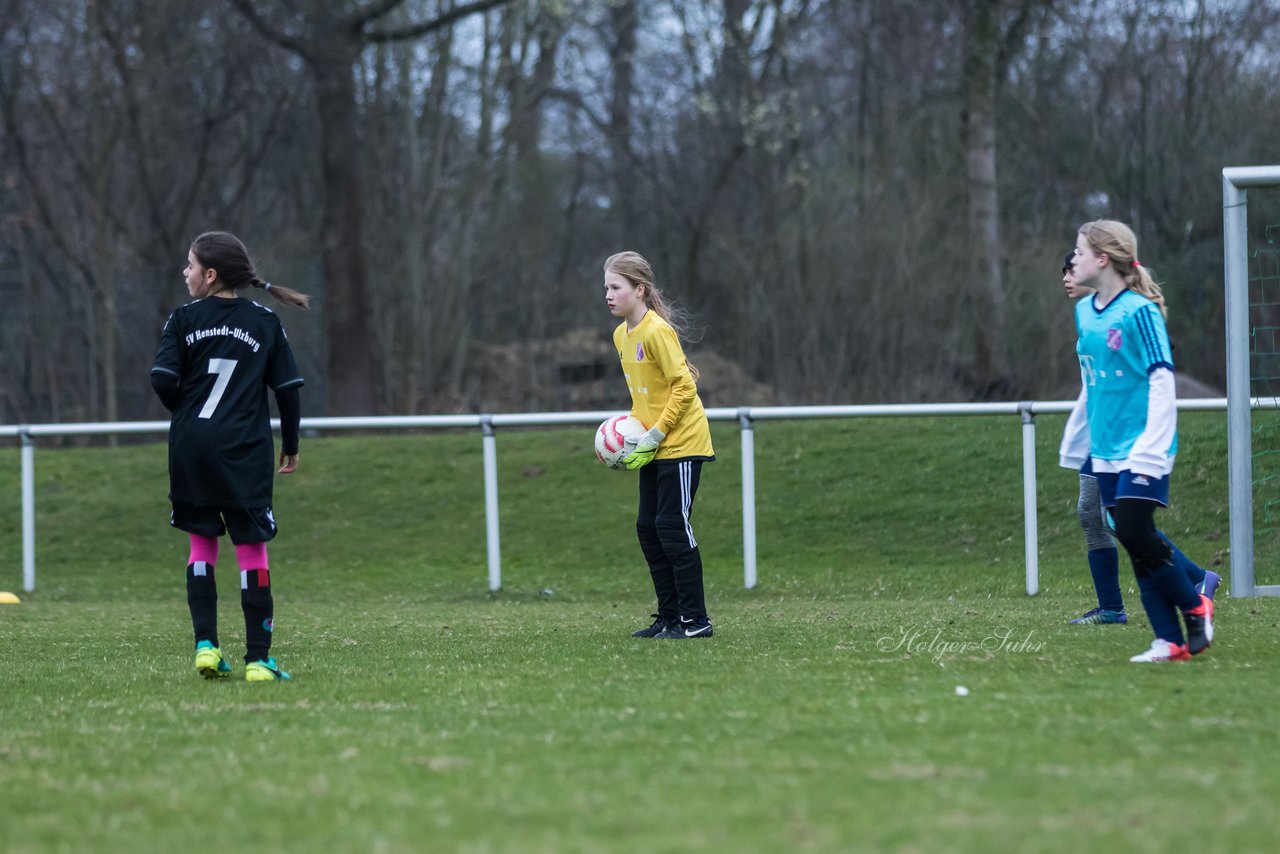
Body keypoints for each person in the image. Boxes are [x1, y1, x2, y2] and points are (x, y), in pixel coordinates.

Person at [151, 231, 308, 681]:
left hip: (191, 449)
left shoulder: (182, 320)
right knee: (251, 551)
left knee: (202, 544)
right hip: (244, 451)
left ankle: (206, 647)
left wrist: (187, 418)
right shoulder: (263, 322)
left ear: (210, 274)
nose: (186, 272)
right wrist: (292, 445)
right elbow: (289, 391)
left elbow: (162, 379)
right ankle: (259, 660)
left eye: (190, 265)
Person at [1061, 221, 1215, 662]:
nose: (1073, 260)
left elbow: (1162, 381)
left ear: (1103, 259)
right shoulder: (1085, 312)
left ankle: (1195, 604)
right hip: (1105, 450)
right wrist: (1080, 436)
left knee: (1131, 528)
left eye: (1079, 251)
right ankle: (1169, 640)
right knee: (1132, 535)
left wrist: (1153, 444)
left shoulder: (1139, 312)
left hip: (1144, 447)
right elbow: (1093, 385)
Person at [603, 251, 715, 639]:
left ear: (639, 289)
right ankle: (668, 617)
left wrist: (657, 431)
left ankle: (695, 621)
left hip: (682, 441)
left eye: (615, 287)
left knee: (672, 526)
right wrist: (633, 433)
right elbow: (646, 395)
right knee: (648, 529)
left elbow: (685, 387)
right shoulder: (621, 335)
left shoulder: (656, 331)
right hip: (652, 445)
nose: (608, 295)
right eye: (606, 287)